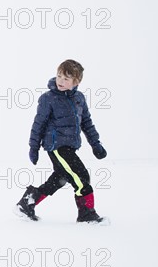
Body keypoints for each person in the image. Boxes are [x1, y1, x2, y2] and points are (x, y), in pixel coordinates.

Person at [15, 59, 109, 224]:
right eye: (59, 76)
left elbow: (86, 123)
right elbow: (38, 124)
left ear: (76, 81)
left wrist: (96, 144)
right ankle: (87, 214)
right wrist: (33, 147)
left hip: (70, 147)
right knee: (81, 177)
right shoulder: (48, 98)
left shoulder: (79, 98)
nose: (61, 81)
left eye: (66, 78)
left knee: (60, 178)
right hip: (57, 146)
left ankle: (27, 203)